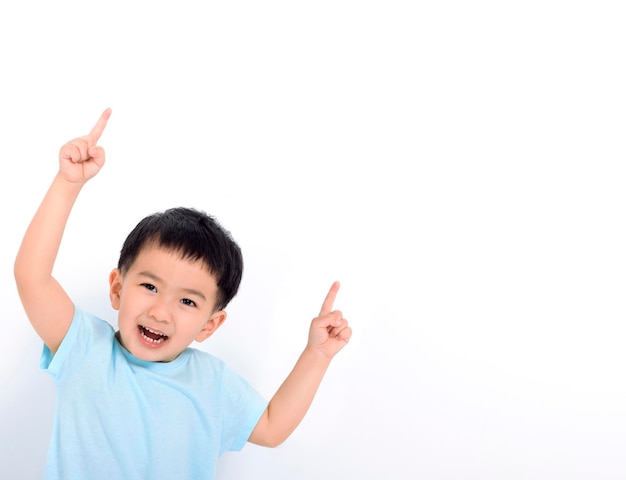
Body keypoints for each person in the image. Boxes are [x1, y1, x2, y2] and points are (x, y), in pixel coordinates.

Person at [13, 108, 352, 480]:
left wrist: (317, 355)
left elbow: (272, 427)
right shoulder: (83, 349)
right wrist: (67, 183)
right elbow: (33, 278)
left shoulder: (212, 381)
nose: (161, 311)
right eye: (150, 286)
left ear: (210, 324)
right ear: (117, 288)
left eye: (187, 301)